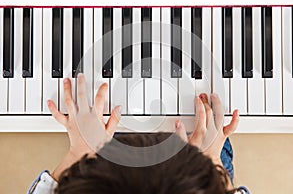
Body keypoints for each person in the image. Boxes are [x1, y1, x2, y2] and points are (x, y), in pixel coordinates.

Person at [28, 74, 250, 194]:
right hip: (192, 179)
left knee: (114, 128)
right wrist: (209, 161)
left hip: (105, 176)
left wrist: (80, 151)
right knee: (210, 130)